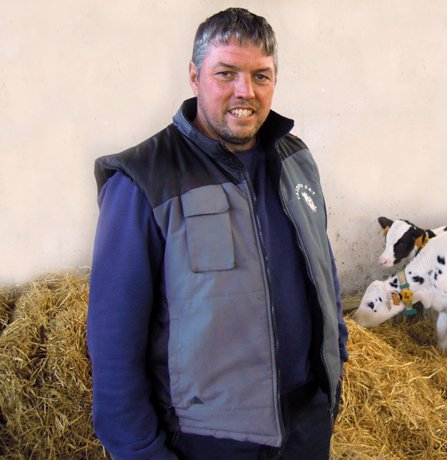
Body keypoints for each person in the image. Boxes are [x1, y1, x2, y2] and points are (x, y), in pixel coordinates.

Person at [87, 8, 349, 459]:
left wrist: (335, 361)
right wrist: (140, 451)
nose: (244, 92)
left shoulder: (295, 159)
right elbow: (113, 344)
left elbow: (322, 268)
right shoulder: (143, 181)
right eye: (225, 73)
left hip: (306, 424)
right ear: (194, 75)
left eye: (260, 76)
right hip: (209, 440)